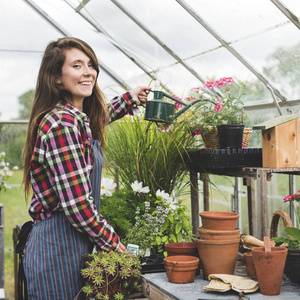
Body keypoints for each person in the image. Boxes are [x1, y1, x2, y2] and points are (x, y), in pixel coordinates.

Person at [21, 37, 151, 299]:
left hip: (72, 242)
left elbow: (98, 117)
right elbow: (78, 206)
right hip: (56, 247)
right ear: (57, 77)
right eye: (77, 66)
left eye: (90, 65)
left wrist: (130, 99)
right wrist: (114, 245)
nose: (88, 72)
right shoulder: (61, 125)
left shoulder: (76, 119)